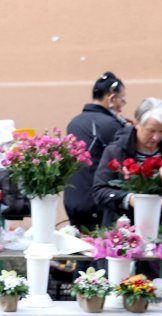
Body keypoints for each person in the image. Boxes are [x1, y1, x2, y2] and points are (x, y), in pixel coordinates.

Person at [91, 97, 162, 229]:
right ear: (136, 123)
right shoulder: (116, 150)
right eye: (151, 131)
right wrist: (129, 199)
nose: (156, 137)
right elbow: (99, 190)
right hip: (123, 229)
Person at [64, 72, 129, 230]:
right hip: (98, 204)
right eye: (122, 99)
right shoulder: (112, 125)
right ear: (111, 98)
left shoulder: (75, 122)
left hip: (73, 201)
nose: (123, 104)